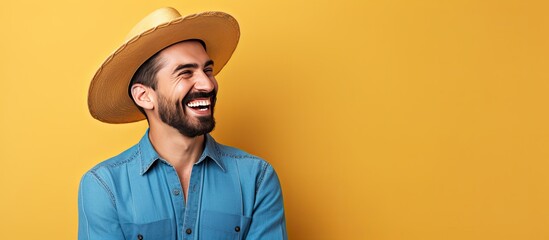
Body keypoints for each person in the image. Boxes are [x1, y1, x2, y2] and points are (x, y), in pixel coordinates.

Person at [78, 7, 287, 240]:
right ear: (144, 96)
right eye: (185, 73)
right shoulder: (105, 187)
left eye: (208, 70)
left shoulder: (256, 178)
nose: (207, 85)